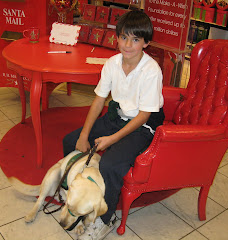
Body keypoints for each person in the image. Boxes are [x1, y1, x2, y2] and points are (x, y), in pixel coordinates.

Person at [63, 10, 164, 240]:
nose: (128, 45)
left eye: (136, 39)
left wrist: (112, 139)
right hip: (118, 114)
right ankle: (76, 195)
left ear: (146, 43)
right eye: (124, 37)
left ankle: (104, 220)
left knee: (110, 164)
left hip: (142, 124)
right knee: (70, 141)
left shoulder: (151, 71)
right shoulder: (112, 63)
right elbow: (99, 100)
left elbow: (144, 116)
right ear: (116, 37)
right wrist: (84, 135)